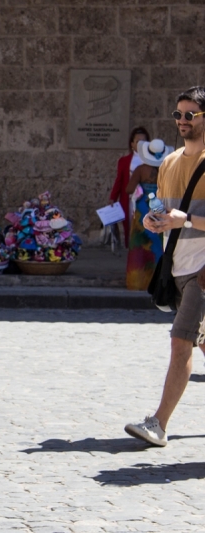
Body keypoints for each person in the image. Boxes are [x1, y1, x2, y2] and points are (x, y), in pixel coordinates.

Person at [124, 87, 205, 447]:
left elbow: (184, 218)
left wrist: (184, 220)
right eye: (178, 114)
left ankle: (158, 423)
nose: (182, 121)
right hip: (177, 266)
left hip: (204, 271)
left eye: (191, 115)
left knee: (180, 341)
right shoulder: (169, 163)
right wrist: (155, 222)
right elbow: (164, 212)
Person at [125, 139, 171, 291]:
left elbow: (129, 189)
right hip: (161, 206)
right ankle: (158, 280)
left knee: (140, 242)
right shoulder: (168, 169)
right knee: (159, 242)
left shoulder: (140, 169)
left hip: (144, 206)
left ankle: (138, 281)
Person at [110, 127, 150, 248]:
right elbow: (119, 180)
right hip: (129, 198)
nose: (141, 144)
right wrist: (113, 197)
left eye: (144, 141)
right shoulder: (124, 161)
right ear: (132, 144)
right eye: (138, 141)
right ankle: (130, 250)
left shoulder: (153, 160)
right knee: (130, 224)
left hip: (147, 198)